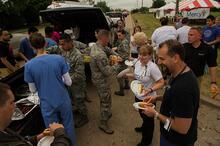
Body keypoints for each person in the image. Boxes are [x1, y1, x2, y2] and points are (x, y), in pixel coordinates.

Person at [143, 39, 200, 146]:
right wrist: (157, 98)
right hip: (168, 135)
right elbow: (173, 97)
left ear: (175, 58)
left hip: (176, 141)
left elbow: (181, 128)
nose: (158, 62)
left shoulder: (184, 89)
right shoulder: (177, 72)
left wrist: (155, 114)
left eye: (162, 59)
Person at [24, 33, 77, 146]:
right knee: (68, 125)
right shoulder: (59, 59)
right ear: (46, 43)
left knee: (53, 130)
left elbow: (32, 90)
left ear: (31, 46)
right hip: (63, 99)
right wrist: (57, 80)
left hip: (47, 103)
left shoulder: (29, 65)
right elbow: (69, 82)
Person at [0, 82, 72, 146]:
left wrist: (40, 136)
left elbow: (20, 141)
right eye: (11, 102)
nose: (15, 105)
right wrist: (60, 133)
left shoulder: (4, 131)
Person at [126, 45, 164, 146]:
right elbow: (137, 75)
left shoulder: (153, 67)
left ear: (150, 55)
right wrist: (130, 76)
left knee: (149, 121)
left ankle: (146, 142)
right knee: (142, 115)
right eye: (140, 54)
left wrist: (150, 89)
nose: (141, 57)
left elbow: (161, 82)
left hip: (149, 98)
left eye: (144, 55)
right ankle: (143, 127)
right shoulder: (138, 63)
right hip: (138, 94)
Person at [89, 29, 119, 134]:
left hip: (96, 78)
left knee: (103, 98)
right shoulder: (100, 54)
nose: (110, 40)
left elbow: (108, 49)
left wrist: (116, 54)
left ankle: (105, 114)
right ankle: (103, 123)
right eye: (109, 38)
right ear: (104, 38)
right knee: (106, 101)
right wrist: (116, 64)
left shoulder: (96, 46)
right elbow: (107, 72)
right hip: (101, 81)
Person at [59, 34, 89, 128]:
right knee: (72, 98)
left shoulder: (77, 55)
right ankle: (77, 109)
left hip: (77, 83)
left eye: (63, 44)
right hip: (69, 82)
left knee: (79, 99)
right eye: (60, 44)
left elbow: (79, 75)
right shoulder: (65, 51)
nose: (61, 46)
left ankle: (84, 116)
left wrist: (65, 80)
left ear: (70, 42)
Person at [183, 27, 218, 92]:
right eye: (188, 34)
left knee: (194, 97)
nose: (188, 37)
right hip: (182, 76)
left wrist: (213, 83)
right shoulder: (183, 47)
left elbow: (213, 66)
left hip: (197, 78)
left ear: (200, 36)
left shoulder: (207, 49)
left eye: (191, 35)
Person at [114, 29, 130, 96]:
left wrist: (122, 59)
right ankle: (126, 85)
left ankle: (121, 91)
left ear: (124, 35)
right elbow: (123, 49)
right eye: (118, 35)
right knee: (124, 74)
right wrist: (117, 48)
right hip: (124, 62)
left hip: (122, 62)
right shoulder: (123, 41)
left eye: (120, 35)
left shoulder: (124, 42)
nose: (118, 37)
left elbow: (127, 53)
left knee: (119, 76)